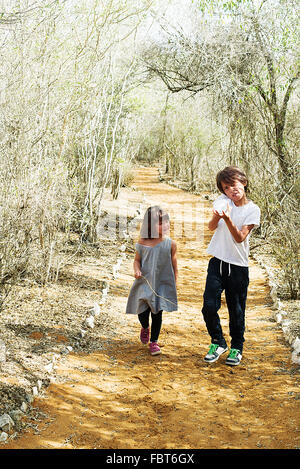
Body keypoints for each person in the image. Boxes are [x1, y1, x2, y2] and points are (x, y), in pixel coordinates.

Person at [202, 166, 260, 366]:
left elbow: (239, 238)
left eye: (234, 184)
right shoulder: (223, 202)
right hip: (217, 262)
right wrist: (218, 215)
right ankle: (218, 342)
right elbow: (211, 227)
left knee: (236, 310)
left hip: (238, 267)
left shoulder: (252, 210)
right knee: (209, 306)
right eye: (226, 188)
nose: (231, 190)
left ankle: (236, 347)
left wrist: (227, 219)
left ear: (243, 182)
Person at [126, 206, 178, 356]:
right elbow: (137, 260)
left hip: (161, 285)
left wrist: (174, 283)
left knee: (157, 312)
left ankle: (154, 342)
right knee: (142, 310)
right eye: (161, 223)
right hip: (144, 282)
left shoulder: (171, 244)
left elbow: (174, 266)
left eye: (167, 222)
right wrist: (136, 270)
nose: (166, 225)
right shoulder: (143, 242)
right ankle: (144, 327)